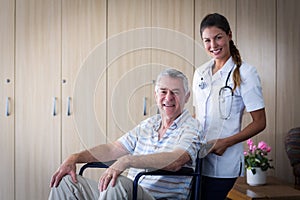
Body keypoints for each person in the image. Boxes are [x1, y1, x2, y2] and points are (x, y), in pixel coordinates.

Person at [49, 68, 203, 200]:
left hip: (156, 197)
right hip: (127, 192)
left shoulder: (191, 127)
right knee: (65, 183)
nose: (168, 97)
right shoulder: (149, 124)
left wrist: (128, 161)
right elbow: (111, 149)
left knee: (117, 183)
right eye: (163, 91)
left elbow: (177, 160)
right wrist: (75, 157)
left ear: (187, 97)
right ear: (156, 96)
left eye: (175, 92)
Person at [192, 13, 266, 200]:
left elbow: (260, 122)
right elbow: (197, 115)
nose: (213, 45)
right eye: (207, 40)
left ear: (229, 35)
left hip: (224, 164)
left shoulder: (245, 73)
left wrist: (226, 142)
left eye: (218, 38)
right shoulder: (200, 73)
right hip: (197, 161)